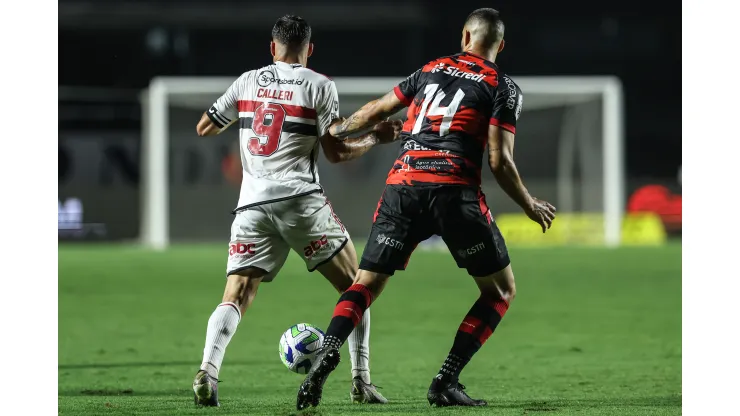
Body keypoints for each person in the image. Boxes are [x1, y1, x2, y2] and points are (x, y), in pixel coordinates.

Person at [296, 8, 557, 410]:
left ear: (465, 36)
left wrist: (340, 130)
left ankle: (328, 349)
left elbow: (379, 109)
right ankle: (445, 381)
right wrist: (528, 203)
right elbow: (500, 161)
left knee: (364, 284)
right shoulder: (502, 87)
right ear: (500, 46)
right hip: (454, 193)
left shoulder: (431, 68)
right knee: (500, 290)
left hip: (403, 185)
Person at [192, 14, 399, 407]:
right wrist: (375, 136)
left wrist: (242, 117)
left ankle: (208, 371)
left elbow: (206, 126)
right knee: (356, 287)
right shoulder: (319, 85)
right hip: (300, 201)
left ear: (272, 47)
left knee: (236, 293)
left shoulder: (248, 81)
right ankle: (361, 381)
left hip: (252, 203)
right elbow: (336, 153)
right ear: (310, 49)